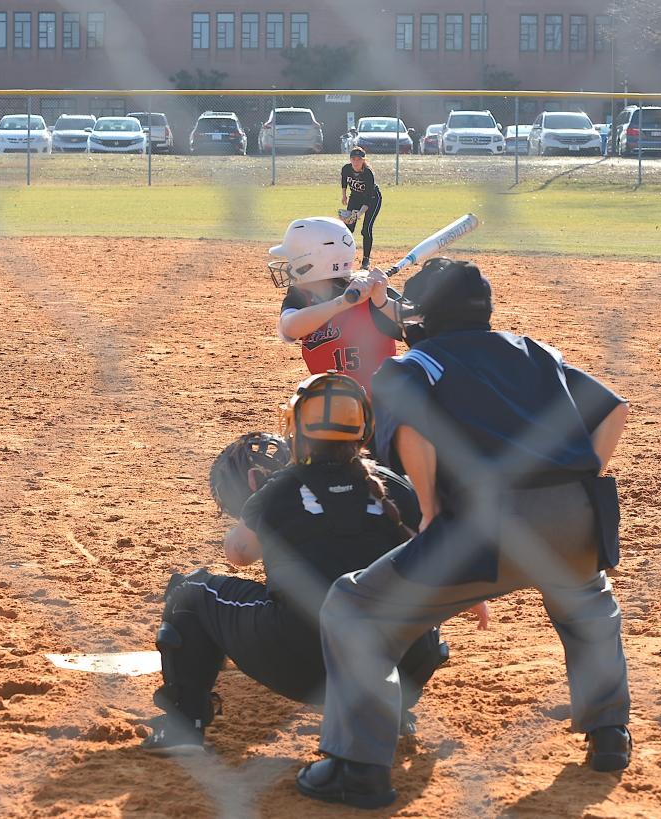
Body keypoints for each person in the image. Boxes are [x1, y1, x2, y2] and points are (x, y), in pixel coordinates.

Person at [298, 259, 632, 809]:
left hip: (485, 525)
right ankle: (610, 733)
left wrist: (429, 510)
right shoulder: (535, 350)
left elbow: (410, 428)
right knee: (588, 601)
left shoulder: (414, 364)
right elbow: (613, 409)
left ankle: (357, 768)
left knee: (354, 607)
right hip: (576, 515)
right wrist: (576, 477)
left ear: (425, 317)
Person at [139, 374, 451, 753]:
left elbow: (238, 555)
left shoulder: (283, 487)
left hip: (302, 663)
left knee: (191, 591)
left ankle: (183, 727)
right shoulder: (394, 485)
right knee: (415, 597)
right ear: (363, 430)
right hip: (404, 662)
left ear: (296, 430)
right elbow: (437, 557)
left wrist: (261, 509)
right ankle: (392, 713)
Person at [268, 216, 401, 395]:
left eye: (292, 260)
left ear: (310, 263)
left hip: (380, 409)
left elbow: (422, 327)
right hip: (330, 406)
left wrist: (383, 302)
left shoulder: (372, 297)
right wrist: (342, 303)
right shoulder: (300, 296)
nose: (288, 267)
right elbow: (289, 329)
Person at [340, 147, 382, 269]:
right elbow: (344, 181)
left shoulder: (368, 173)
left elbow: (368, 198)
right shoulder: (346, 168)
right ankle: (344, 257)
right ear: (350, 159)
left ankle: (365, 261)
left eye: (359, 159)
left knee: (366, 229)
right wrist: (344, 195)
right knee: (348, 228)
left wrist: (359, 213)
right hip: (355, 197)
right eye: (353, 159)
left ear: (364, 160)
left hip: (373, 200)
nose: (356, 162)